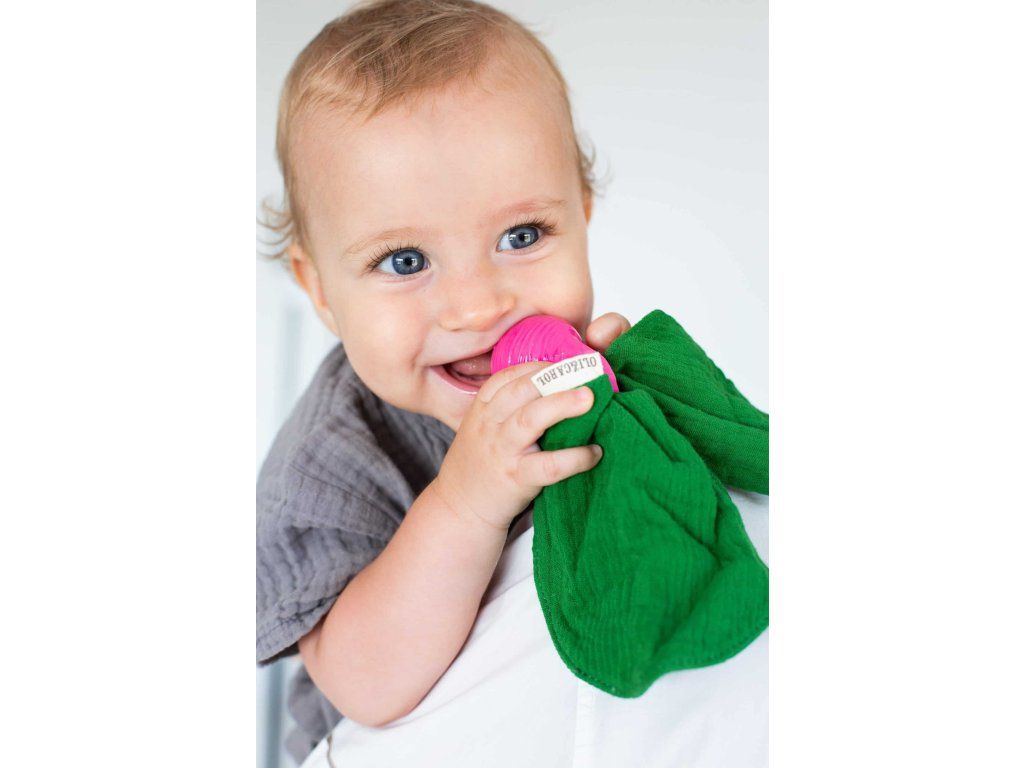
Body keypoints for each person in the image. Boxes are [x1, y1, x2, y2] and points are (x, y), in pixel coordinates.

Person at [256, 1, 633, 762]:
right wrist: (467, 498)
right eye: (405, 261)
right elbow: (365, 686)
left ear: (582, 216)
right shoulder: (329, 465)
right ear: (321, 289)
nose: (478, 307)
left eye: (522, 236)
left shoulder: (581, 366)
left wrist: (641, 418)